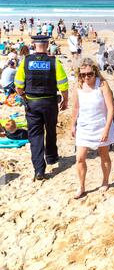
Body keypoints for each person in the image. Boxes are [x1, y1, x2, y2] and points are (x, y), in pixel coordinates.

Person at [14, 35, 69, 180]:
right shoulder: (54, 62)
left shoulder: (26, 61)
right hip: (50, 102)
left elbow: (18, 86)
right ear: (47, 45)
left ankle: (39, 169)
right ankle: (51, 157)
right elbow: (63, 84)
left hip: (32, 103)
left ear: (33, 44)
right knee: (50, 130)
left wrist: (24, 97)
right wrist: (65, 100)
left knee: (36, 136)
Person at [71, 58, 114, 199]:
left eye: (89, 74)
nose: (86, 77)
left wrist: (106, 129)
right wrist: (73, 124)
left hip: (101, 125)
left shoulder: (102, 85)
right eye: (82, 74)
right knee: (80, 158)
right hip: (84, 127)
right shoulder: (78, 87)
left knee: (103, 156)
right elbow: (76, 108)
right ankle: (82, 186)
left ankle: (105, 180)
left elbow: (110, 109)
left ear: (95, 72)